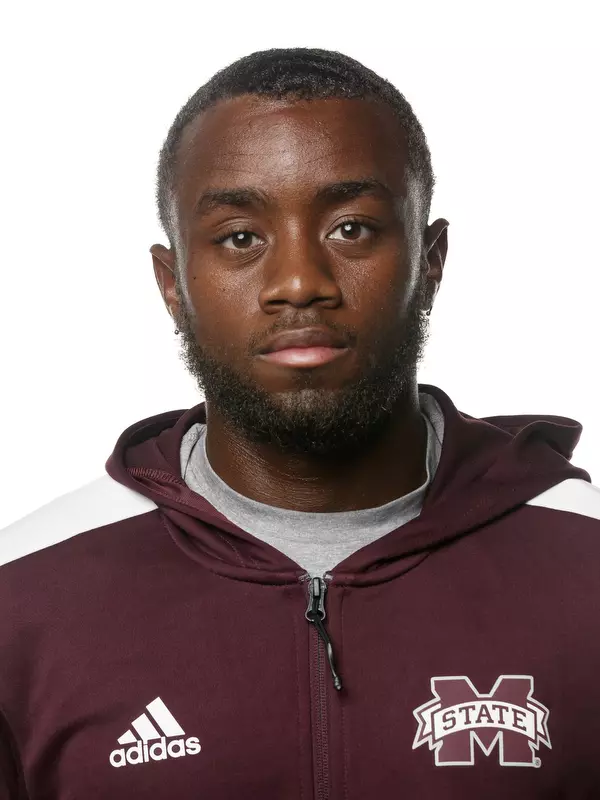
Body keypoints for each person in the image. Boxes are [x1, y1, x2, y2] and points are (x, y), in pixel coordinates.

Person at [1, 46, 599, 800]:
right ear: (172, 282)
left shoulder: (587, 570)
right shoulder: (22, 603)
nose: (299, 283)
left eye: (351, 228)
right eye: (240, 238)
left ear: (431, 259)